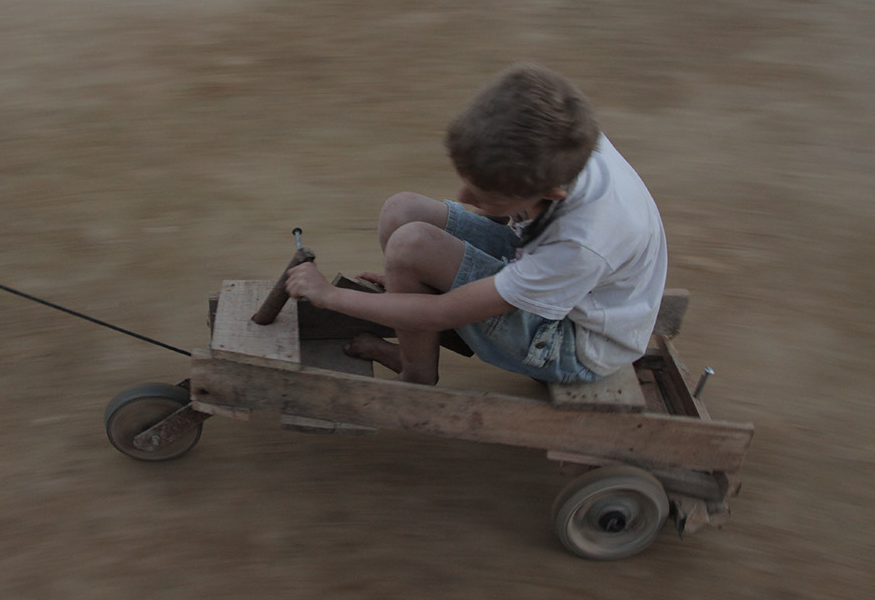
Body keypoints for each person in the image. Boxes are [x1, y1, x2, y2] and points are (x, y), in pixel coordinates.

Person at [285, 63, 667, 386]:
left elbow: (444, 313)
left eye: (485, 194)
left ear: (550, 195)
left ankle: (416, 372)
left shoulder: (581, 243)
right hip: (559, 279)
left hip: (572, 345)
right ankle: (415, 340)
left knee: (409, 247)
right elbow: (504, 215)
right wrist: (416, 280)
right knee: (401, 211)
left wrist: (328, 296)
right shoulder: (565, 142)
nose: (463, 196)